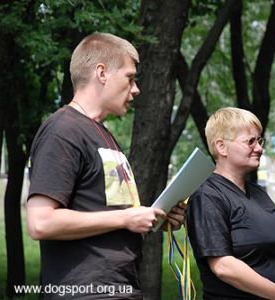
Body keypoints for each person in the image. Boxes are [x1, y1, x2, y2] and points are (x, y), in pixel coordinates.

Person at [26, 32, 186, 299]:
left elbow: (107, 213)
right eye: (130, 77)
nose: (136, 89)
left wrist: (156, 218)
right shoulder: (62, 130)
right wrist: (126, 218)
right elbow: (40, 222)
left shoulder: (103, 135)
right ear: (102, 73)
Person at [187, 107, 275, 300]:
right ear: (221, 147)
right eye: (250, 141)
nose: (259, 148)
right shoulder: (207, 196)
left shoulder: (259, 194)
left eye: (259, 140)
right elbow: (223, 266)